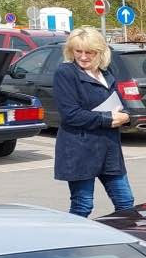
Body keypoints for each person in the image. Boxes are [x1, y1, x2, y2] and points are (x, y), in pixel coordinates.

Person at [52, 27, 133, 217]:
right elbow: (70, 114)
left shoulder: (106, 72)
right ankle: (73, 236)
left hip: (109, 148)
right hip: (80, 148)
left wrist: (126, 116)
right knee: (83, 205)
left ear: (100, 52)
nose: (83, 57)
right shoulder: (66, 73)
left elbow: (120, 103)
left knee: (126, 202)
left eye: (89, 52)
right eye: (78, 51)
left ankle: (120, 236)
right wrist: (107, 119)